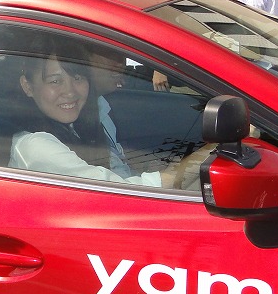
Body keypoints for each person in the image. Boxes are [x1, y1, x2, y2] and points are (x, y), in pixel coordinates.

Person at [10, 36, 179, 187]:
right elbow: (127, 194)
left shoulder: (79, 125)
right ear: (27, 86)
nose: (70, 92)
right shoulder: (36, 147)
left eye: (77, 78)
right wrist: (189, 167)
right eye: (55, 81)